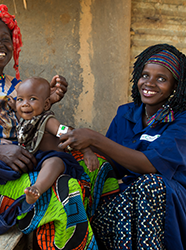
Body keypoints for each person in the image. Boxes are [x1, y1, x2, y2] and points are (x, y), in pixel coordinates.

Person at [0, 4, 119, 249]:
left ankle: (105, 241)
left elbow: (37, 125)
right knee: (66, 190)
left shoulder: (18, 86)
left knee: (99, 169)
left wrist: (48, 101)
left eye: (5, 39)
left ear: (14, 45)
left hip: (24, 165)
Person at [59, 43, 186, 250]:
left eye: (161, 79)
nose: (150, 83)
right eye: (145, 75)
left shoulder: (181, 122)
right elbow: (112, 163)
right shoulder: (125, 114)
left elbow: (149, 166)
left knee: (150, 185)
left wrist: (94, 138)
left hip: (169, 205)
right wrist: (83, 146)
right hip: (127, 202)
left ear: (176, 86)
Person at [0, 76, 99, 205]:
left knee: (55, 163)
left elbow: (69, 134)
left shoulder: (49, 121)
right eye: (20, 99)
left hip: (51, 156)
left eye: (32, 99)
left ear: (47, 104)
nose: (25, 104)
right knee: (9, 159)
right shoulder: (26, 120)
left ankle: (37, 188)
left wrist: (86, 150)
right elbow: (21, 113)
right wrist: (15, 107)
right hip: (32, 158)